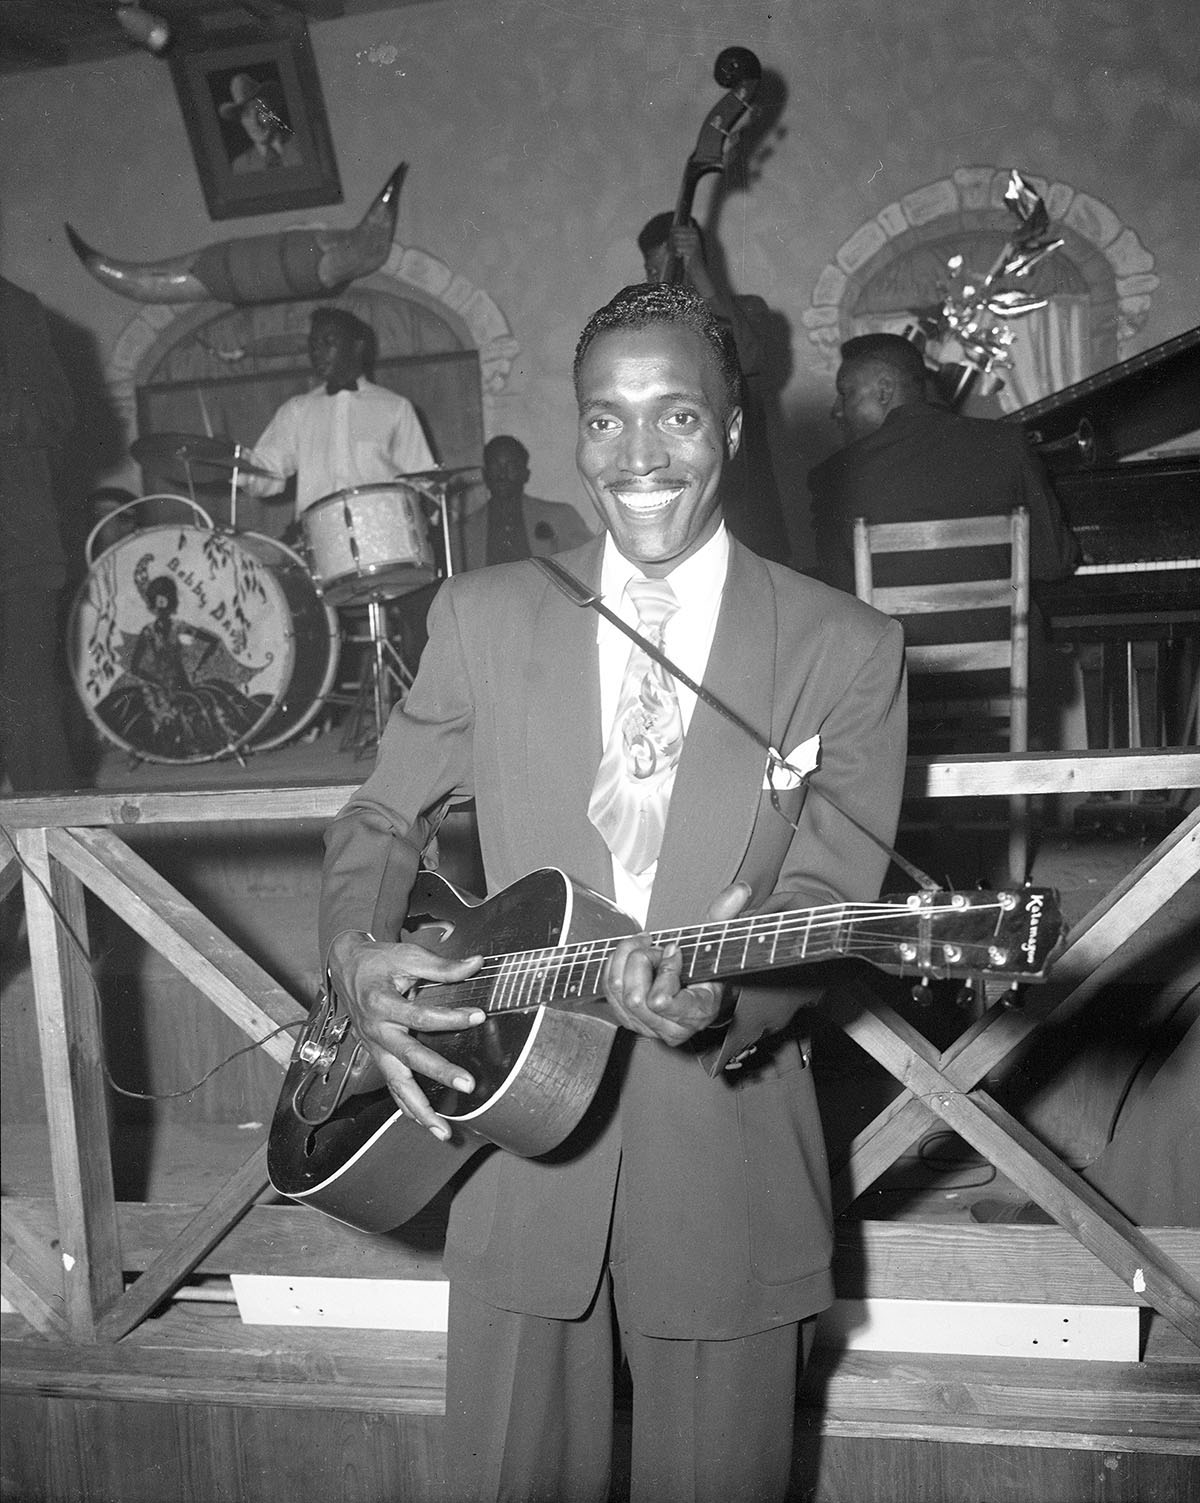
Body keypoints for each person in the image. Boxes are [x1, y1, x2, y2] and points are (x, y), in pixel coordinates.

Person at [318, 282, 907, 1502]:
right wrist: (356, 949)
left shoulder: (848, 650)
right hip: (515, 1162)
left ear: (735, 429)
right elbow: (383, 816)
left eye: (676, 417)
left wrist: (725, 1010)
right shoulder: (482, 618)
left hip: (728, 1164)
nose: (637, 456)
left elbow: (828, 898)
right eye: (605, 420)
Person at [808, 332, 1080, 746]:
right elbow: (1054, 561)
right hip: (1006, 673)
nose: (836, 410)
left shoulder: (834, 477)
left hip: (896, 681)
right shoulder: (1004, 444)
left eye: (846, 393)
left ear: (884, 390)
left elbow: (841, 601)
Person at [639, 211, 791, 564]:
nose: (661, 280)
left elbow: (750, 358)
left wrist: (699, 275)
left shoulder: (747, 310)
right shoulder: (649, 325)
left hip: (740, 470)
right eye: (651, 270)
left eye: (672, 268)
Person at [240, 306, 436, 528]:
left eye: (328, 343)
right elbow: (266, 473)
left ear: (357, 347)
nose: (317, 353)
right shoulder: (296, 410)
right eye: (313, 345)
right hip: (319, 540)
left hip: (384, 537)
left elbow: (422, 481)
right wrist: (236, 464)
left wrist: (431, 507)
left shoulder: (395, 407)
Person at [0, 276, 79, 794]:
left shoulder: (12, 308)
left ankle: (55, 870)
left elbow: (58, 415)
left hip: (13, 552)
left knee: (28, 712)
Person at [454, 434, 594, 570]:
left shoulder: (560, 517)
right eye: (495, 466)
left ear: (525, 474)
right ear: (485, 475)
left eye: (511, 466)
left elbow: (589, 564)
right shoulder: (464, 532)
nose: (502, 474)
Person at [219, 73, 303, 174]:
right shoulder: (240, 167)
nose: (255, 123)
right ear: (241, 122)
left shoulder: (301, 146)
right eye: (246, 116)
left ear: (273, 113)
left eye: (260, 113)